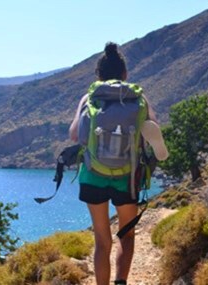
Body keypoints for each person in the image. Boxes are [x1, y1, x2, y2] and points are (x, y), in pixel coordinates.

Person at [68, 42, 167, 285]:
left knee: (102, 240)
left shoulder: (89, 97)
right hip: (128, 175)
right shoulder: (138, 96)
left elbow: (74, 135)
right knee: (127, 234)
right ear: (125, 74)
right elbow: (152, 127)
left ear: (98, 75)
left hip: (93, 173)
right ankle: (121, 281)